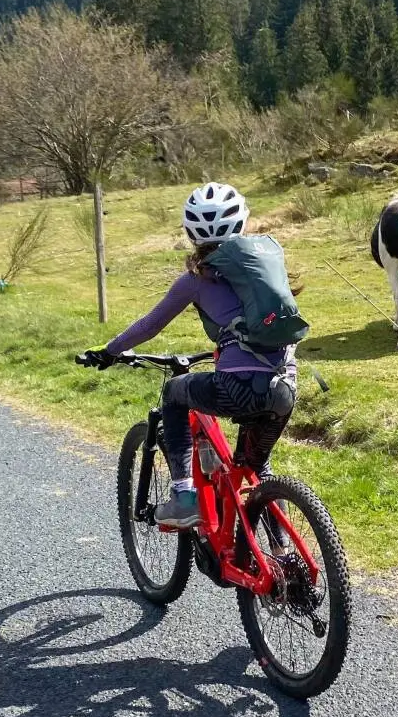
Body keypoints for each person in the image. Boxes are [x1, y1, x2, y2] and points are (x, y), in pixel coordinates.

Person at [84, 183, 299, 530]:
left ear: (191, 232)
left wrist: (110, 351)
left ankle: (184, 496)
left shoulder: (196, 278)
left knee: (174, 391)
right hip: (284, 386)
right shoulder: (266, 263)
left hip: (237, 387)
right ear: (242, 221)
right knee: (260, 469)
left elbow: (150, 325)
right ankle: (284, 552)